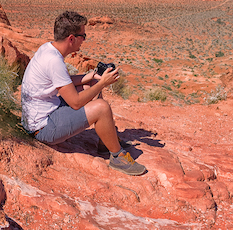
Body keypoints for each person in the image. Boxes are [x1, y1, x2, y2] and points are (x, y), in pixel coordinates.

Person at [20, 11, 146, 176]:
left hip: (45, 113)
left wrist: (91, 77)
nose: (84, 40)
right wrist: (103, 83)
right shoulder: (54, 61)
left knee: (90, 86)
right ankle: (117, 157)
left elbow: (62, 80)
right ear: (71, 38)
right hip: (43, 128)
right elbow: (76, 103)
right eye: (83, 36)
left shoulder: (48, 48)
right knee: (102, 108)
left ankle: (105, 142)